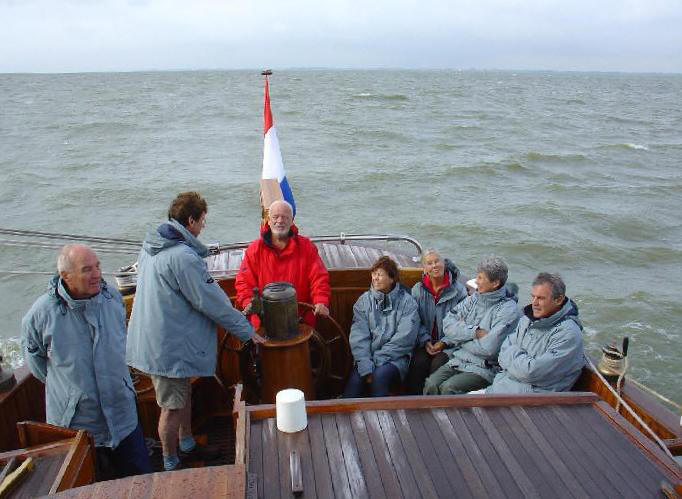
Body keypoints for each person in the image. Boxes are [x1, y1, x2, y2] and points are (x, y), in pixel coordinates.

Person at [126, 192, 265, 472]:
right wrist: (247, 331)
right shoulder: (183, 257)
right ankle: (170, 462)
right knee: (171, 407)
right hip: (167, 347)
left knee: (182, 395)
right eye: (202, 221)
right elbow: (210, 301)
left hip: (158, 340)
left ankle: (187, 445)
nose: (203, 227)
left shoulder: (151, 248)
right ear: (190, 220)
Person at [22, 244, 152, 478]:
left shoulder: (112, 298)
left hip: (123, 416)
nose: (96, 274)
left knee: (140, 479)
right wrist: (74, 394)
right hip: (79, 425)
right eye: (87, 269)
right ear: (66, 276)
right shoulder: (42, 314)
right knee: (91, 487)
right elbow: (37, 364)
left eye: (97, 266)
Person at [424, 256, 520, 395]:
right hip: (459, 359)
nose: (476, 281)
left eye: (481, 278)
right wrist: (475, 332)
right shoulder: (475, 298)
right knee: (431, 384)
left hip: (485, 368)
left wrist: (460, 338)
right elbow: (448, 324)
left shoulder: (508, 310)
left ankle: (450, 417)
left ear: (495, 283)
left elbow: (489, 349)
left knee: (448, 388)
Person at [235, 199, 331, 329]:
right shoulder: (254, 250)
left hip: (300, 322)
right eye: (275, 217)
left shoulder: (306, 247)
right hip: (264, 324)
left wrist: (320, 301)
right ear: (268, 221)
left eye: (285, 217)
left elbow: (319, 278)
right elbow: (244, 282)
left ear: (291, 222)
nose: (280, 221)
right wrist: (248, 302)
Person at [487, 272, 584, 394]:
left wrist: (512, 356)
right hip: (501, 388)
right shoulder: (526, 320)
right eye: (533, 296)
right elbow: (502, 354)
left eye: (541, 298)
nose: (534, 303)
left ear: (559, 299)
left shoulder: (569, 334)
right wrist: (523, 362)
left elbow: (531, 372)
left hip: (531, 402)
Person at [343, 256, 419, 398]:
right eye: (373, 274)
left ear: (391, 279)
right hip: (367, 358)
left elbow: (404, 340)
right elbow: (358, 338)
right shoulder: (363, 302)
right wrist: (366, 365)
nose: (375, 278)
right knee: (353, 386)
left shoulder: (408, 303)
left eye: (380, 275)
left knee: (380, 376)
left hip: (395, 359)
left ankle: (382, 418)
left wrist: (376, 361)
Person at [404, 249, 468, 394]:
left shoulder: (459, 291)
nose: (434, 265)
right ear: (424, 269)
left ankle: (434, 405)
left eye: (437, 261)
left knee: (438, 364)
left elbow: (462, 325)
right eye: (429, 263)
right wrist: (425, 340)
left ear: (444, 263)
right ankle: (413, 403)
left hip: (450, 344)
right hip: (424, 342)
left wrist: (444, 342)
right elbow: (414, 320)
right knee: (417, 364)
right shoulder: (417, 290)